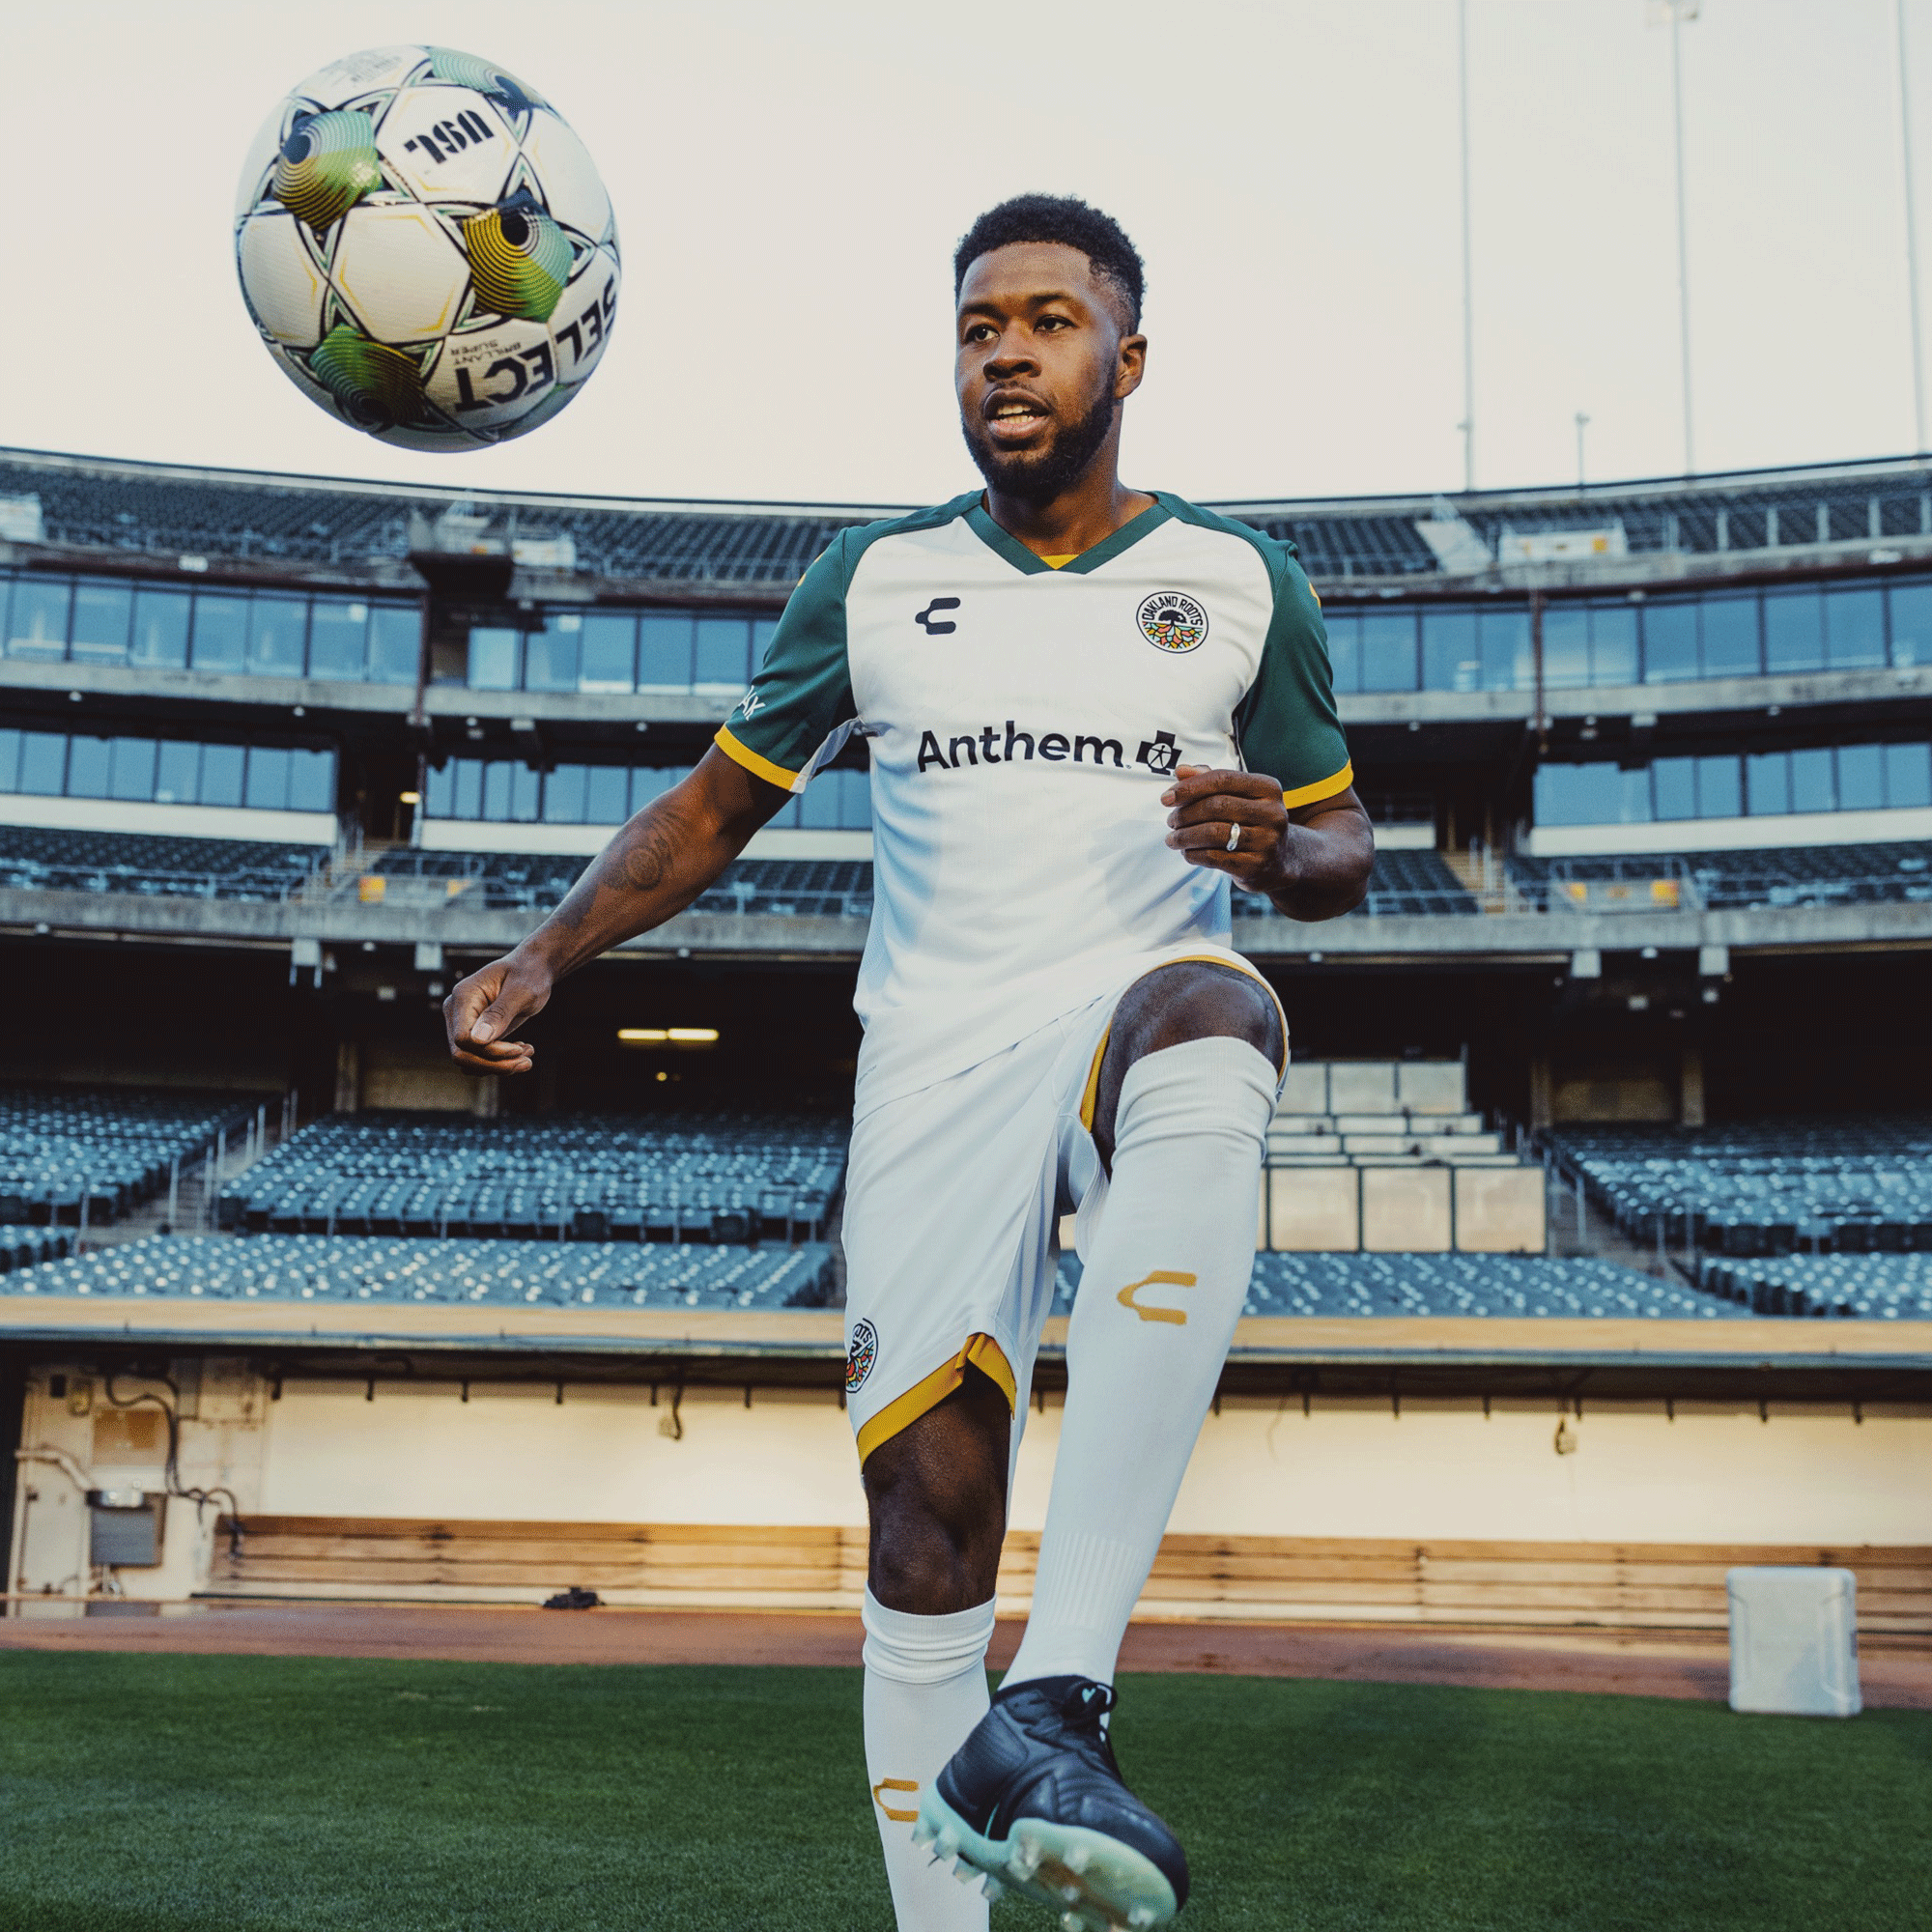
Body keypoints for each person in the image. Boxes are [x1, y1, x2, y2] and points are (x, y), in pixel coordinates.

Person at [443, 193, 1374, 1931]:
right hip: (934, 1071)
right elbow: (714, 809)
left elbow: (1341, 851)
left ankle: (1063, 1691)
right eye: (975, 325)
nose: (1006, 349)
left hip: (1130, 993)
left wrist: (1269, 846)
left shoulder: (1243, 582)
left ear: (1128, 356)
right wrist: (545, 946)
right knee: (922, 1544)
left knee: (1221, 1017)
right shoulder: (876, 578)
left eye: (1046, 318)